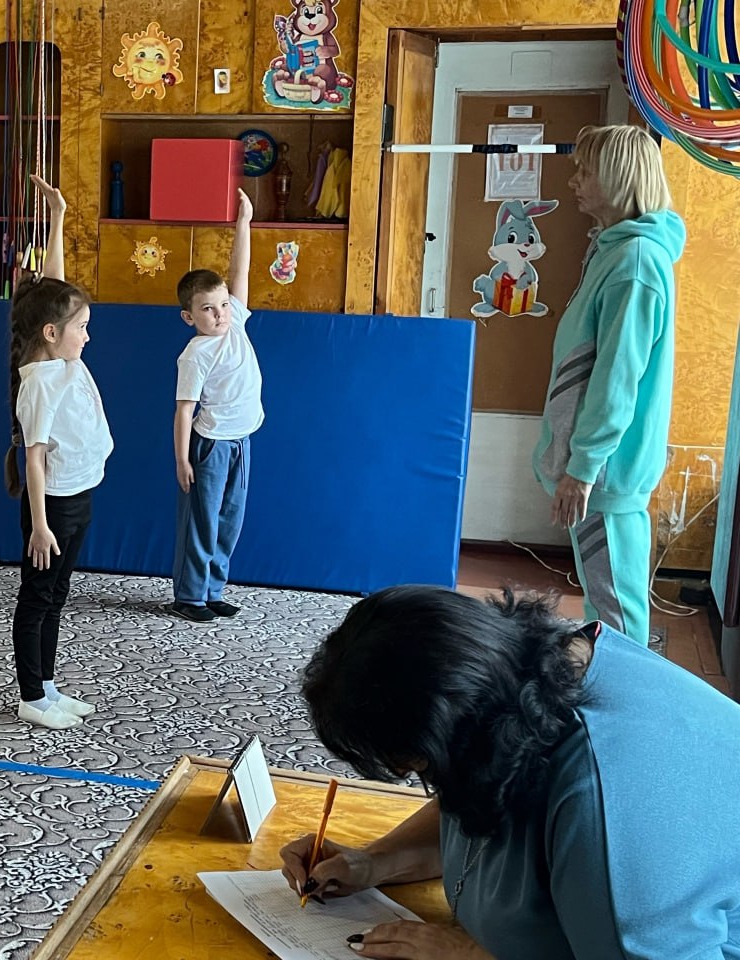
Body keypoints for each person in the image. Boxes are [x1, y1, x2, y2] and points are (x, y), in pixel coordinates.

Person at [280, 585, 740, 959]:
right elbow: (479, 805)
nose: (422, 779)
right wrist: (375, 862)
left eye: (419, 765)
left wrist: (470, 957)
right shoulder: (526, 677)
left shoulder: (610, 817)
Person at [534, 124, 685, 646]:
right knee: (607, 598)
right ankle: (613, 680)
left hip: (607, 471)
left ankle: (626, 690)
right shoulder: (614, 251)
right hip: (601, 467)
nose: (574, 181)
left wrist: (583, 468)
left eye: (586, 171)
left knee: (617, 609)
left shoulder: (634, 263)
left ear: (619, 178)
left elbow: (617, 377)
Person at [3, 174, 113, 730]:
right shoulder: (41, 382)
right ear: (51, 333)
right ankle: (31, 695)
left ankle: (46, 686)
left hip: (80, 492)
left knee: (58, 593)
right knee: (38, 597)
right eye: (81, 328)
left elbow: (55, 287)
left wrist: (59, 217)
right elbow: (34, 458)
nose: (87, 335)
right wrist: (41, 525)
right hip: (55, 506)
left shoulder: (61, 355)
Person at [170, 188, 263, 623]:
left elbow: (239, 270)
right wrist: (182, 459)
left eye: (223, 305)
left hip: (241, 440)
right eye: (208, 309)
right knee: (202, 520)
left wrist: (243, 222)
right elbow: (183, 410)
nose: (221, 314)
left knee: (230, 519)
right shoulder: (196, 353)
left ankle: (213, 589)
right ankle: (189, 596)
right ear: (190, 317)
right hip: (210, 445)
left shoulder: (236, 323)